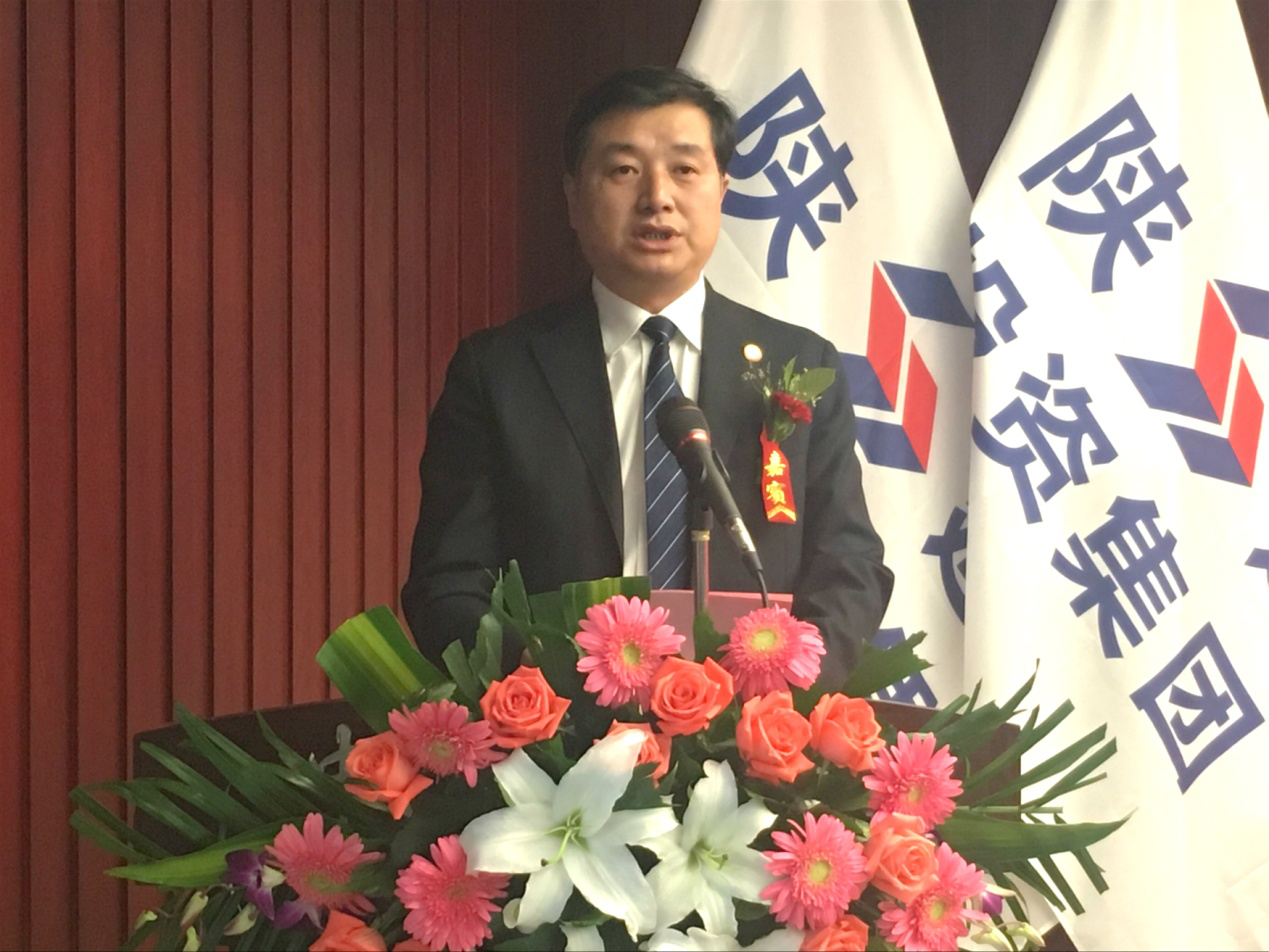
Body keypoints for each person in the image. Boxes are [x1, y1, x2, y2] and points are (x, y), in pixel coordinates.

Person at [401, 65, 892, 687]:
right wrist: (544, 688)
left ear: (721, 189)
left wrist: (787, 692)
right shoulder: (500, 372)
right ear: (573, 197)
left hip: (756, 723)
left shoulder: (799, 364)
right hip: (560, 725)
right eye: (624, 170)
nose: (657, 196)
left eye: (685, 169)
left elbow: (850, 565)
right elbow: (448, 580)